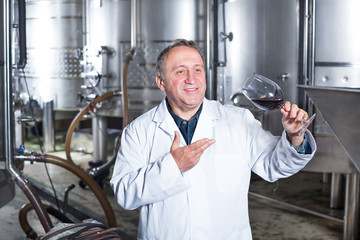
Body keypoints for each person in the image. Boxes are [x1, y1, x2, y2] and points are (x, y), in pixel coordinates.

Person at [110, 39, 316, 240]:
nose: (191, 79)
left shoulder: (238, 120)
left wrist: (294, 137)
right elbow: (125, 194)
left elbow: (275, 166)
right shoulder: (138, 131)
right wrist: (172, 166)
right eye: (180, 71)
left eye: (197, 69)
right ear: (161, 82)